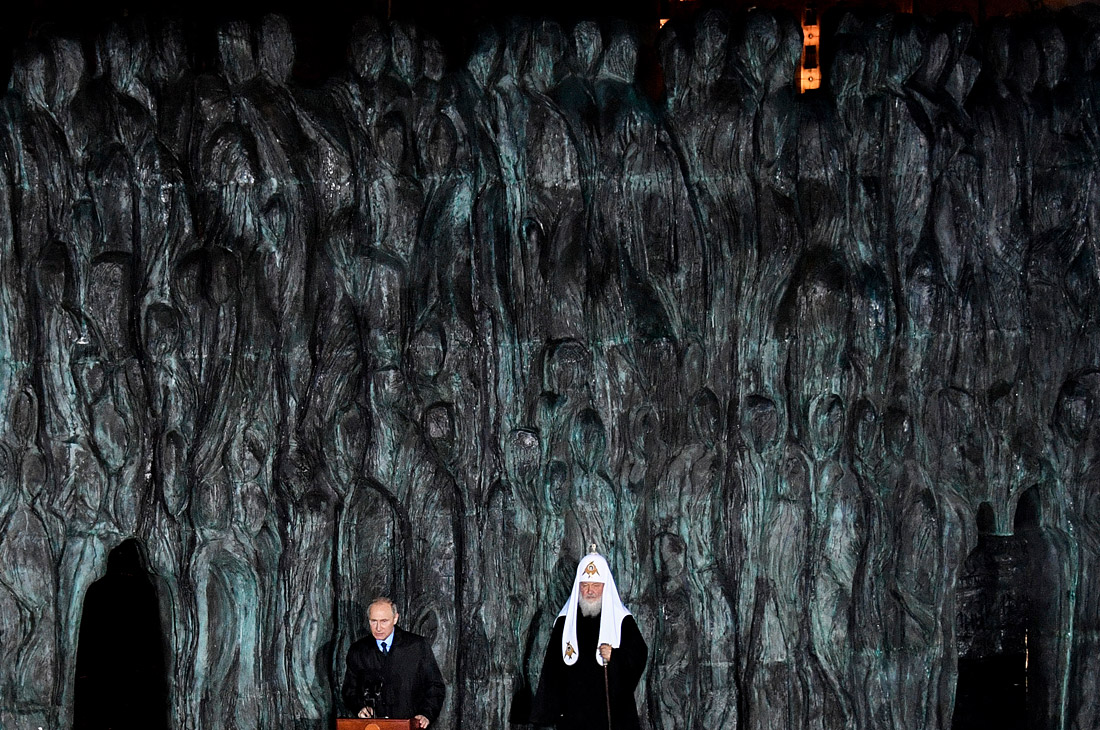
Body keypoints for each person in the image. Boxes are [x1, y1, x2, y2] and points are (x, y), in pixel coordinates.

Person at [530, 550, 648, 729]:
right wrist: (550, 711)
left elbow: (639, 655)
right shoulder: (565, 621)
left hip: (610, 710)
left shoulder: (621, 620)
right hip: (574, 709)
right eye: (584, 585)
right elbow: (552, 667)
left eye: (595, 585)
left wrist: (615, 656)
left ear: (605, 586)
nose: (590, 591)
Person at [341, 597, 446, 728]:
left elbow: (435, 685)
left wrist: (426, 714)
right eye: (373, 621)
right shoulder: (358, 650)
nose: (378, 628)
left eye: (384, 621)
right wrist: (360, 708)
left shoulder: (417, 646)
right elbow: (349, 690)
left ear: (395, 619)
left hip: (409, 725)